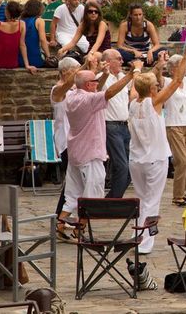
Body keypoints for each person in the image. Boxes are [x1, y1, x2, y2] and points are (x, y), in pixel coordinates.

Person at [56, 61, 139, 241]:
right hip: (91, 153)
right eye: (95, 81)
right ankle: (80, 230)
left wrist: (103, 73)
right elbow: (108, 93)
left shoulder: (71, 97)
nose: (97, 82)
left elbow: (98, 90)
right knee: (92, 194)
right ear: (89, 85)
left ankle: (60, 225)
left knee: (72, 192)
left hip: (76, 153)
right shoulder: (89, 99)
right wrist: (131, 75)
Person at [128, 46, 186, 254]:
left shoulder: (132, 104)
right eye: (156, 84)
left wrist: (138, 70)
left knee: (140, 198)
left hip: (136, 160)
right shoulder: (154, 103)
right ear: (153, 89)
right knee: (151, 202)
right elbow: (176, 82)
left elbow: (133, 88)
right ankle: (144, 243)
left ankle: (135, 234)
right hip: (154, 159)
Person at [154, 52, 186, 207]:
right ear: (173, 69)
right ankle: (178, 196)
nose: (184, 69)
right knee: (182, 161)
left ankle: (181, 190)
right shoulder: (167, 81)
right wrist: (160, 65)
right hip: (173, 125)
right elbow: (157, 77)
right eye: (182, 66)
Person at [99, 49, 136, 198]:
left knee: (131, 166)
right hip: (111, 126)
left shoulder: (121, 76)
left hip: (124, 126)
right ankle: (113, 200)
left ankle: (112, 199)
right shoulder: (102, 78)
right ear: (108, 61)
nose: (122, 61)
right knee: (121, 166)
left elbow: (138, 85)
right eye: (119, 59)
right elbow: (109, 92)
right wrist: (131, 74)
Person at [51, 57, 83, 219]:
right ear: (65, 72)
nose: (79, 72)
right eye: (75, 69)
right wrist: (84, 66)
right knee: (72, 182)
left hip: (77, 140)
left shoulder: (75, 90)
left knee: (75, 182)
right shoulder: (57, 90)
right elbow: (66, 85)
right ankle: (60, 217)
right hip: (65, 141)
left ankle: (62, 217)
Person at [0, 1, 36, 73]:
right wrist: (27, 65)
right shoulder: (22, 24)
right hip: (12, 63)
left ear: (7, 12)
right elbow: (22, 45)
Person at [19, 0, 50, 68]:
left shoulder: (20, 21)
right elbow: (42, 40)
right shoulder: (39, 21)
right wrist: (49, 56)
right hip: (34, 59)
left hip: (20, 59)